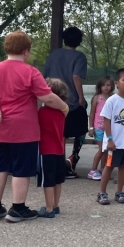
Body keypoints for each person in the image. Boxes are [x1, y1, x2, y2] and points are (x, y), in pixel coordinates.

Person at [0, 30, 68, 223]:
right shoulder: (30, 72)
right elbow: (47, 97)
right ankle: (17, 208)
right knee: (21, 169)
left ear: (6, 48)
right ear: (26, 51)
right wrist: (64, 106)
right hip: (24, 130)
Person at [43, 26, 89, 178]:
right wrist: (81, 98)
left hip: (51, 98)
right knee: (82, 128)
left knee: (58, 134)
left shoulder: (53, 55)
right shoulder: (79, 57)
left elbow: (45, 76)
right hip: (70, 101)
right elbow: (76, 76)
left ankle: (57, 164)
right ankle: (71, 159)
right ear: (79, 41)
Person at [98, 68, 124, 206]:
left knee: (122, 167)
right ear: (117, 83)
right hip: (114, 142)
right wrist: (110, 139)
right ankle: (102, 192)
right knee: (109, 166)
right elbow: (106, 120)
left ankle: (119, 191)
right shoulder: (112, 100)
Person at [37, 78, 70, 218]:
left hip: (46, 149)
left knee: (48, 181)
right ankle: (56, 205)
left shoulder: (42, 112)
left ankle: (49, 208)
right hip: (59, 149)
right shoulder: (63, 112)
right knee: (58, 180)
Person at [87, 76, 113, 180]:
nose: (106, 87)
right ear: (100, 86)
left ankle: (103, 169)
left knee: (106, 150)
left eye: (108, 85)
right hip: (99, 127)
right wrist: (91, 127)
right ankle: (92, 170)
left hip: (109, 128)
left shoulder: (112, 98)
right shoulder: (97, 98)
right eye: (103, 85)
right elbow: (92, 113)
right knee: (102, 149)